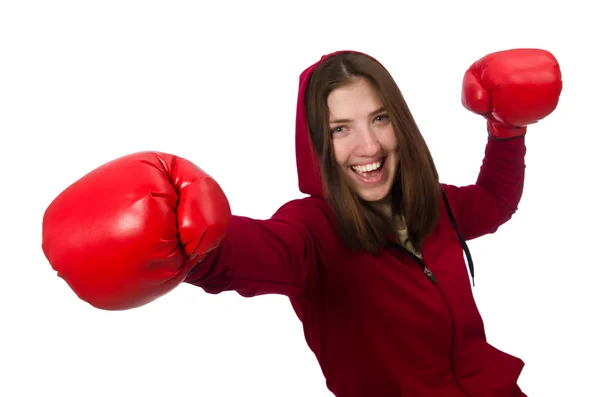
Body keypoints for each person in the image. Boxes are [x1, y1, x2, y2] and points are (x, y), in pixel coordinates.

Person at [42, 48, 562, 396]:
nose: (369, 146)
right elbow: (246, 254)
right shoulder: (312, 233)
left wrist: (506, 130)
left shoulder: (433, 204)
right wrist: (189, 240)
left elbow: (495, 203)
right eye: (340, 128)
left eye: (379, 118)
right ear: (318, 145)